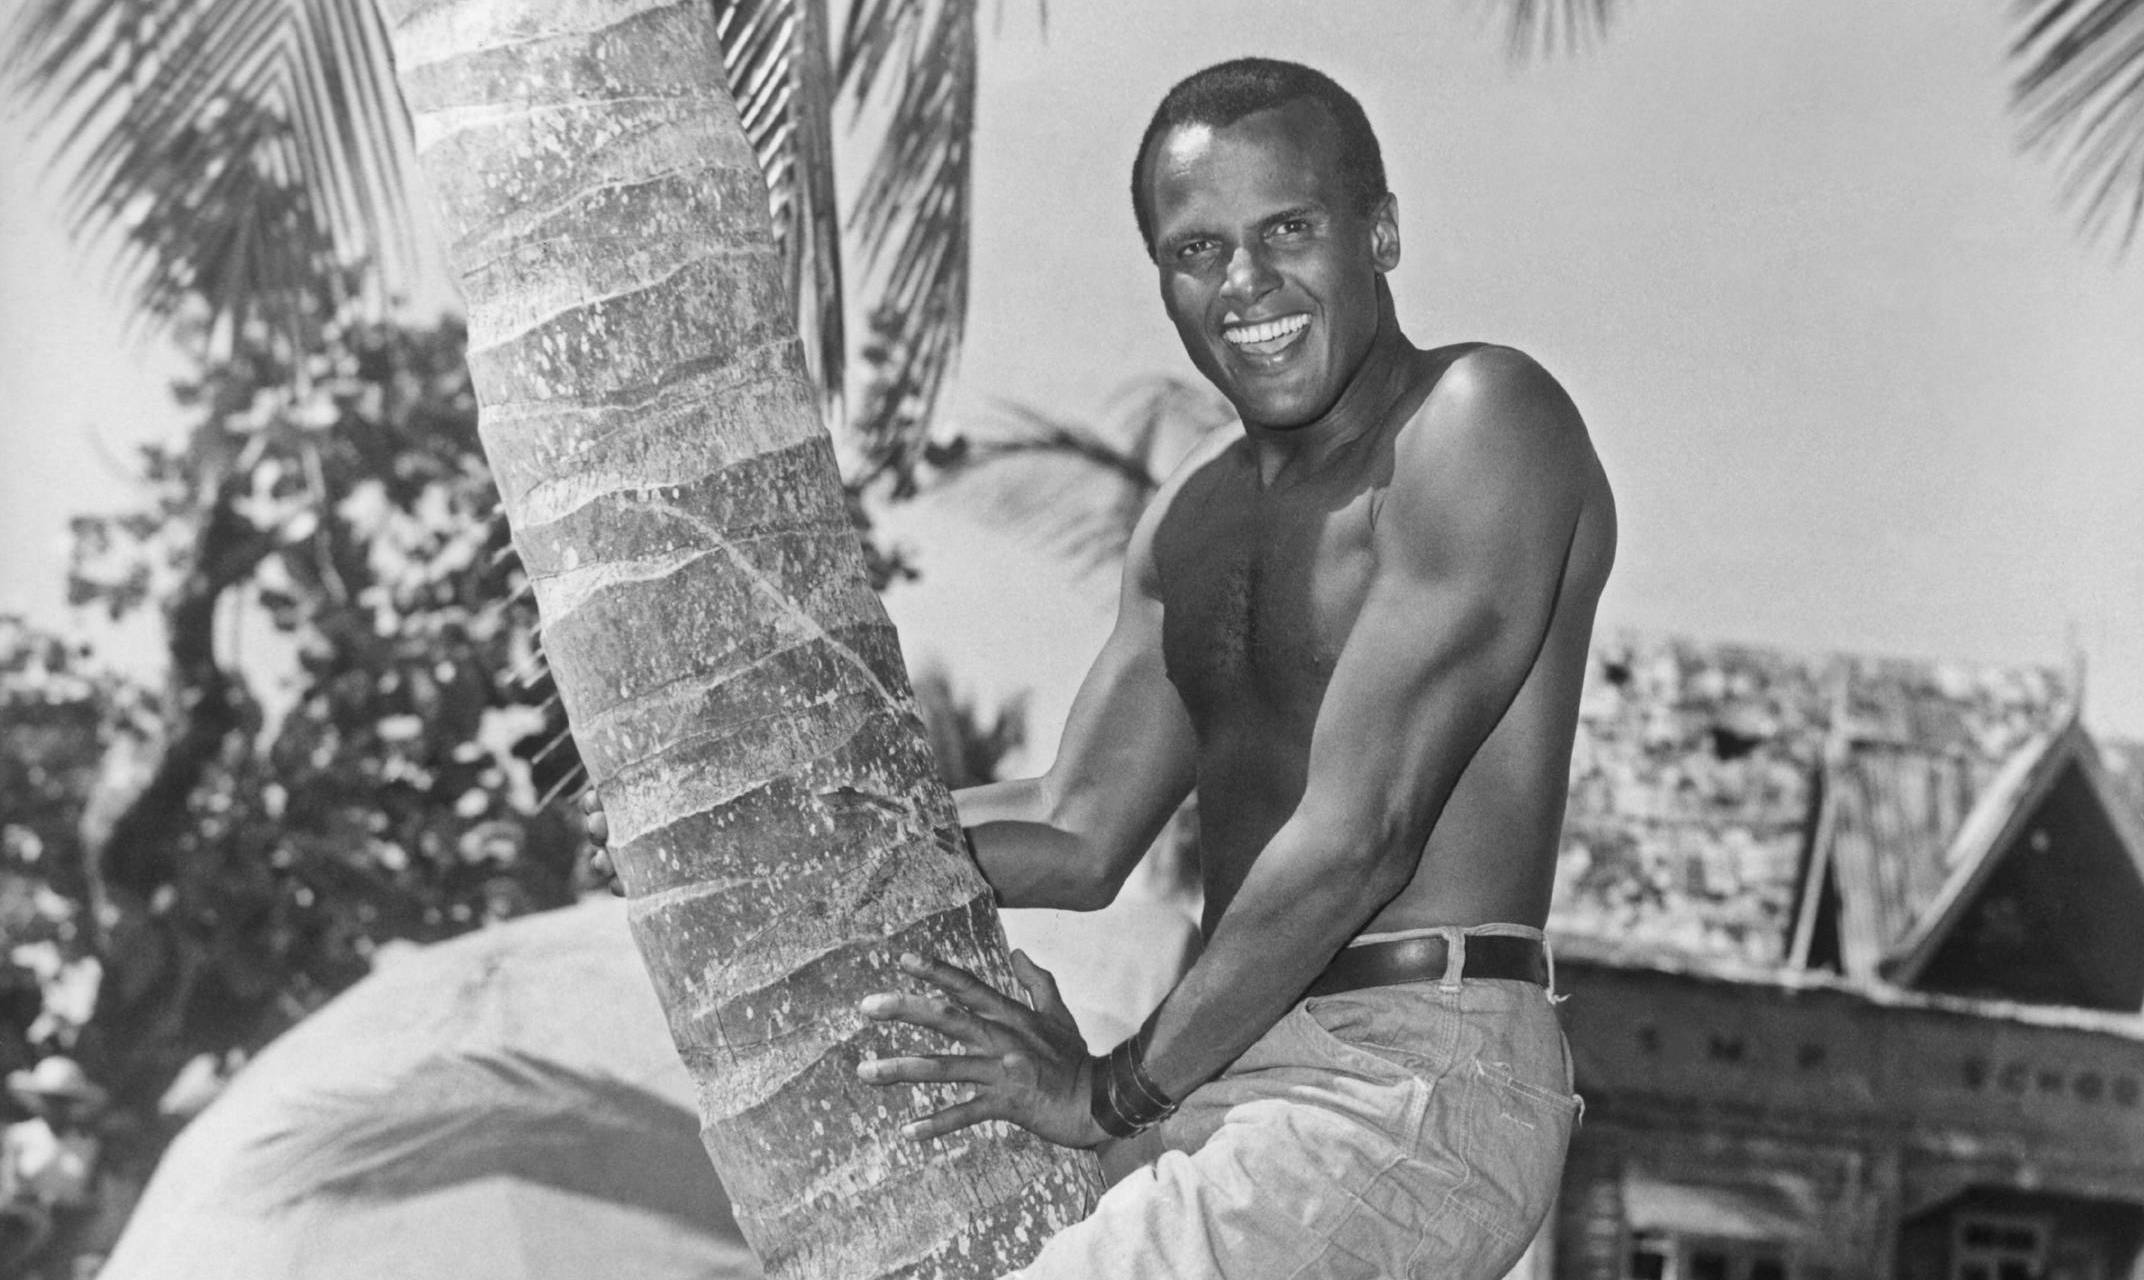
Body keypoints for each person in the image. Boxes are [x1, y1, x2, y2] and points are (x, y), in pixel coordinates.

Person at [592, 56, 1615, 1279]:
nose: (1247, 284)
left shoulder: (1479, 420)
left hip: (1405, 1072)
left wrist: (1108, 1089)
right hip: (1220, 1071)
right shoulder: (1190, 523)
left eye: (1288, 228)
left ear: (1377, 231)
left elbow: (1361, 836)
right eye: (1196, 251)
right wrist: (770, 844)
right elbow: (1073, 830)